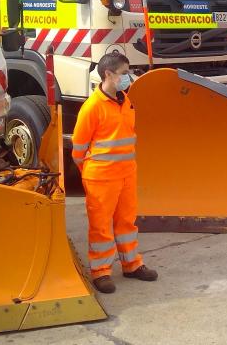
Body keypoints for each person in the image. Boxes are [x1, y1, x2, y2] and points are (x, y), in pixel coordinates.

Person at [71, 52, 158, 294]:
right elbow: (78, 149)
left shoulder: (126, 101)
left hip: (126, 174)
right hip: (100, 177)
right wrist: (91, 171)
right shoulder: (92, 108)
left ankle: (132, 265)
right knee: (100, 227)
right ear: (108, 74)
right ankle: (101, 272)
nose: (128, 78)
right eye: (124, 73)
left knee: (127, 222)